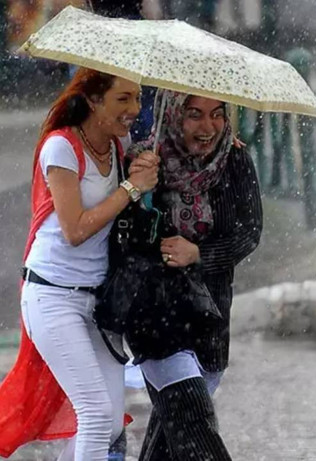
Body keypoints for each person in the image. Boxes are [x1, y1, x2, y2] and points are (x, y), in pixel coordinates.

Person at [0, 68, 158, 460]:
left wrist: (140, 174)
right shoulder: (62, 147)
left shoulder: (118, 149)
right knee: (93, 410)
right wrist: (130, 188)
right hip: (52, 295)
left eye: (137, 98)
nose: (134, 110)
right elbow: (75, 229)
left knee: (105, 419)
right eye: (123, 99)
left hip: (98, 302)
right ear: (92, 100)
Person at [114, 89, 262, 460]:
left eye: (217, 114)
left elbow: (249, 231)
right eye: (194, 114)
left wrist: (199, 253)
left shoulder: (236, 159)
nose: (207, 126)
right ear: (173, 113)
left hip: (212, 318)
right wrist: (137, 191)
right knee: (194, 422)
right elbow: (121, 238)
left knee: (169, 435)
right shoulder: (143, 159)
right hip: (155, 314)